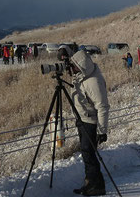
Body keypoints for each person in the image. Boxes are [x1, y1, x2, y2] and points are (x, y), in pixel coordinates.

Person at [59, 47, 110, 196]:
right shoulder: (83, 75)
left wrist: (102, 131)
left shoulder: (93, 81)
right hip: (83, 119)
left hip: (91, 122)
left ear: (81, 66)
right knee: (88, 154)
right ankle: (91, 183)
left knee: (89, 154)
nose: (72, 69)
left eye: (73, 66)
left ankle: (96, 186)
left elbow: (103, 106)